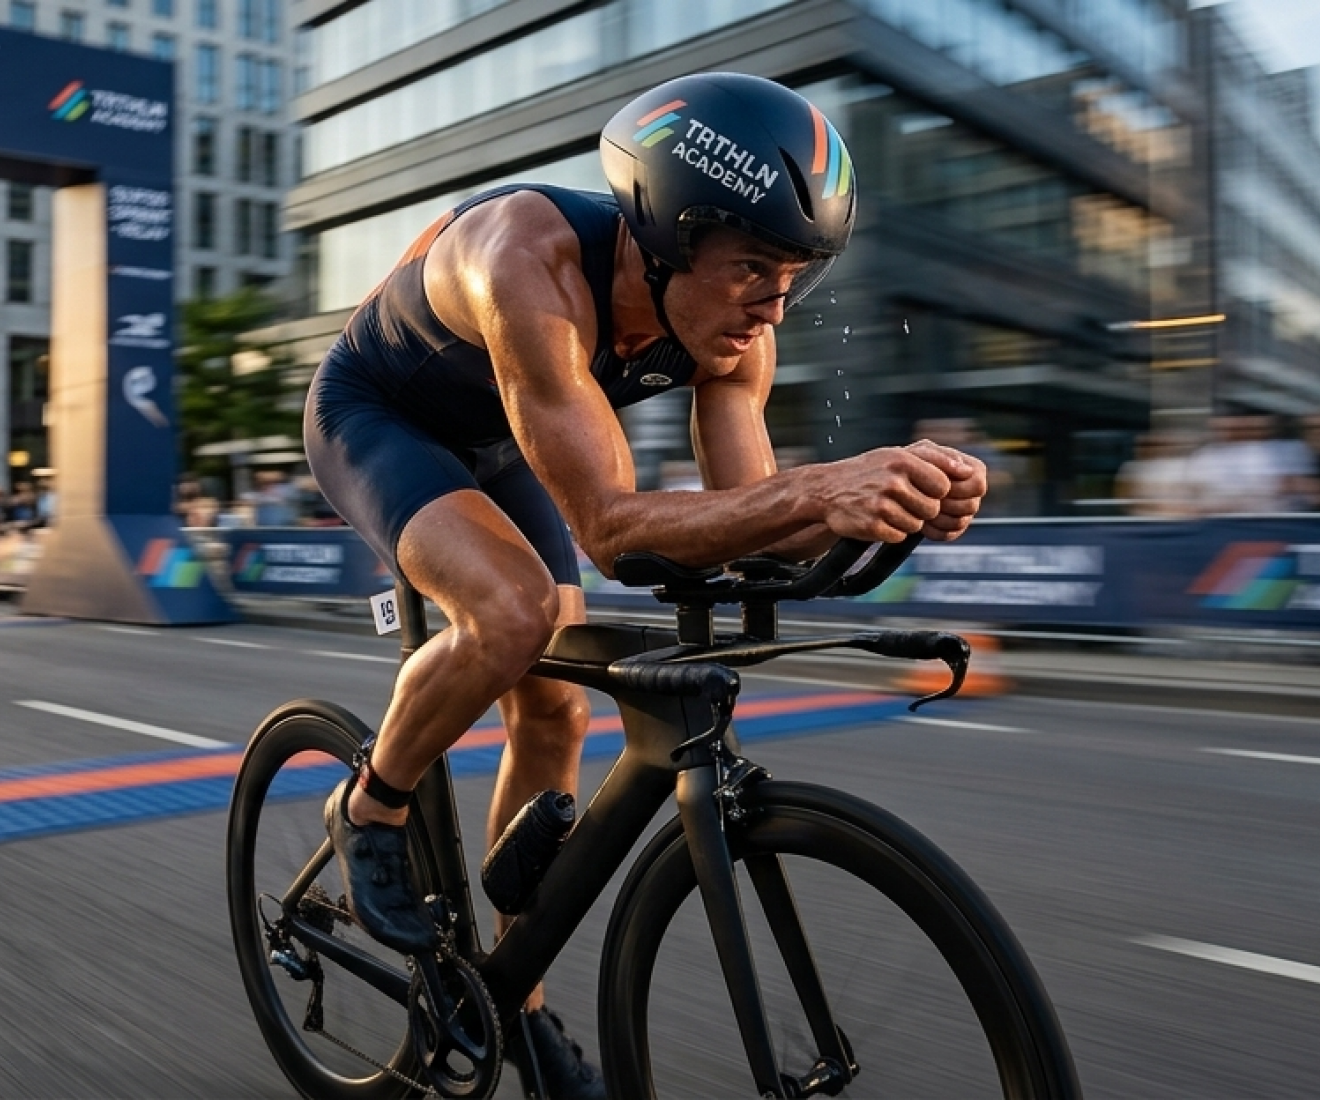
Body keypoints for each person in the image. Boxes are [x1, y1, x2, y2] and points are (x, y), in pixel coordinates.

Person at [302, 73, 985, 1096]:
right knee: (514, 610)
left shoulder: (738, 328)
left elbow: (745, 516)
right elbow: (614, 529)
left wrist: (883, 504)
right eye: (754, 266)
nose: (775, 302)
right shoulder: (526, 260)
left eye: (796, 272)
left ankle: (510, 1000)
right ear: (664, 236)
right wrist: (818, 487)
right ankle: (371, 803)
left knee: (555, 709)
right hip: (381, 419)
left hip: (506, 437)